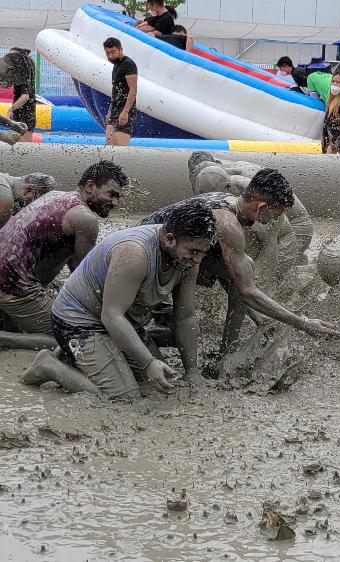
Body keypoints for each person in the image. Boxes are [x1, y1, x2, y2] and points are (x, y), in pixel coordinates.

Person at [22, 200, 215, 399]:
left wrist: (192, 372)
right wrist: (149, 362)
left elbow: (185, 318)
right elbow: (111, 316)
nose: (198, 260)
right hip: (78, 321)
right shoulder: (134, 254)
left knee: (158, 386)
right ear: (169, 239)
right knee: (125, 397)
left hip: (121, 320)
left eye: (203, 253)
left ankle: (80, 357)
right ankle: (49, 366)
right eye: (193, 252)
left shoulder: (188, 260)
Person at [140, 170, 338, 352]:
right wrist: (302, 323)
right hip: (145, 262)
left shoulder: (230, 202)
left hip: (168, 255)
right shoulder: (228, 225)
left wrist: (264, 318)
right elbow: (248, 292)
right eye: (274, 216)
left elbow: (242, 286)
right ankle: (136, 340)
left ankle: (227, 351)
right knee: (185, 333)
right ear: (260, 207)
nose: (269, 222)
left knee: (242, 272)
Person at [0, 161, 126, 350]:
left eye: (118, 197)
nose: (115, 202)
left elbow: (74, 263)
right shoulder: (86, 220)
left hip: (7, 277)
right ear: (90, 186)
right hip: (11, 288)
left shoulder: (54, 195)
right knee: (75, 338)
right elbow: (87, 277)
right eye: (111, 194)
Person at [186, 152, 314, 268]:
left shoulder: (245, 189)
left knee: (264, 270)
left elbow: (269, 241)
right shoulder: (212, 177)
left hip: (297, 225)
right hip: (275, 217)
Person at [103, 38, 138, 147]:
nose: (110, 56)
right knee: (109, 144)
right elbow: (116, 91)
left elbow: (133, 90)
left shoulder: (128, 64)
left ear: (120, 49)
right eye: (108, 53)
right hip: (115, 110)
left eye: (113, 52)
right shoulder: (116, 65)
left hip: (125, 110)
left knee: (119, 150)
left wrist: (125, 112)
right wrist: (110, 112)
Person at [4, 47, 35, 143]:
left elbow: (25, 97)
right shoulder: (26, 73)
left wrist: (11, 109)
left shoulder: (23, 75)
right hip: (26, 115)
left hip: (24, 117)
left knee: (23, 147)